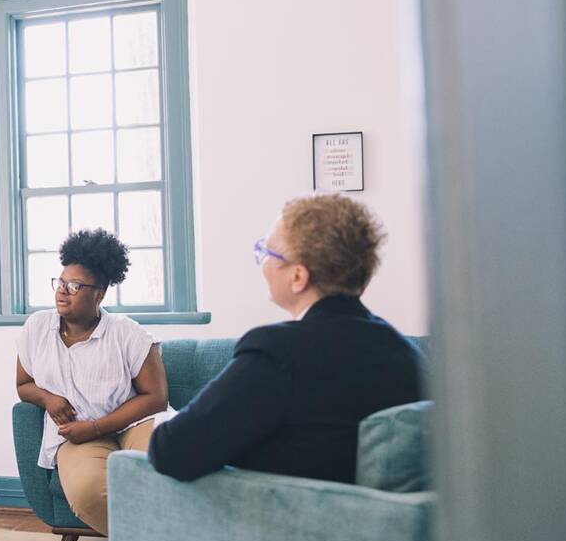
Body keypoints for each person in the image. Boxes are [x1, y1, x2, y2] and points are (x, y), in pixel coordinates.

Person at [147, 194, 425, 482]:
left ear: (298, 277)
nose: (262, 262)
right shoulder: (405, 353)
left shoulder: (278, 352)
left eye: (266, 252)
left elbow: (171, 450)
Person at [14, 229, 171, 535]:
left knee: (169, 462)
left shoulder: (128, 333)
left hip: (133, 422)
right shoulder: (36, 328)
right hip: (76, 432)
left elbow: (156, 397)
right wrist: (47, 398)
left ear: (99, 293)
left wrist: (98, 427)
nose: (62, 291)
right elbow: (23, 385)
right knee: (87, 493)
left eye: (74, 286)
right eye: (60, 283)